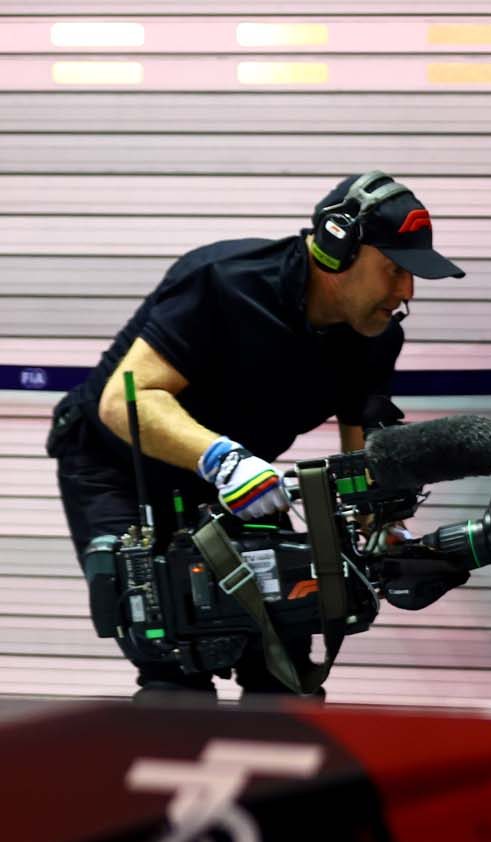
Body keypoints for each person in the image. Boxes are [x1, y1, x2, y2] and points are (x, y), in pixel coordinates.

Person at [46, 171, 464, 700]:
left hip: (238, 476)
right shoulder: (222, 281)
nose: (406, 292)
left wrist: (386, 527)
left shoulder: (375, 335)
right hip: (122, 468)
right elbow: (124, 400)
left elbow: (365, 447)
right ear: (338, 251)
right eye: (395, 270)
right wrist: (224, 461)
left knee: (284, 659)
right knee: (178, 659)